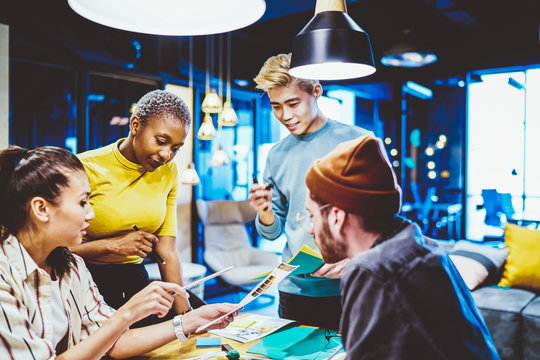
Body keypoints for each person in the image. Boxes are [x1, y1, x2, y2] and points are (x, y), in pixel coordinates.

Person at [0, 145, 237, 359]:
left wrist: (190, 321)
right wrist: (128, 313)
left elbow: (111, 341)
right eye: (83, 202)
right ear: (41, 209)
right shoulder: (4, 275)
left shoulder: (71, 266)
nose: (91, 214)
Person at [303, 135, 500, 359]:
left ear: (337, 217)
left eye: (312, 216)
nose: (310, 229)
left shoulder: (372, 272)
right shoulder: (422, 246)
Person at [248, 53, 372, 329]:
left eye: (293, 103)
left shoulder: (360, 141)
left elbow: (383, 220)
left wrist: (357, 257)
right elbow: (273, 231)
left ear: (317, 92)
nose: (285, 115)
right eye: (276, 106)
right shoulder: (276, 155)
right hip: (295, 291)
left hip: (353, 287)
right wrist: (266, 210)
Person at [72, 89, 192, 325]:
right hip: (82, 281)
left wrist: (186, 317)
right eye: (161, 141)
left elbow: (166, 251)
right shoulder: (84, 167)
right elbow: (52, 251)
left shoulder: (168, 172)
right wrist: (113, 246)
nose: (167, 155)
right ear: (135, 125)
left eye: (176, 148)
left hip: (134, 281)